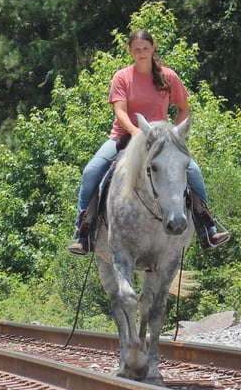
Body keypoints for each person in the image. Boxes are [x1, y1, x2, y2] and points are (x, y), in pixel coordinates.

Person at [68, 29, 230, 256]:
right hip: (124, 137)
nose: (141, 53)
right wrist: (136, 131)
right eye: (136, 49)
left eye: (145, 48)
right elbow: (120, 111)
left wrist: (172, 135)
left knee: (193, 171)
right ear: (129, 51)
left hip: (160, 144)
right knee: (91, 171)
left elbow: (183, 109)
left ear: (153, 48)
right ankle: (83, 232)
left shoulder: (168, 77)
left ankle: (207, 227)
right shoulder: (122, 77)